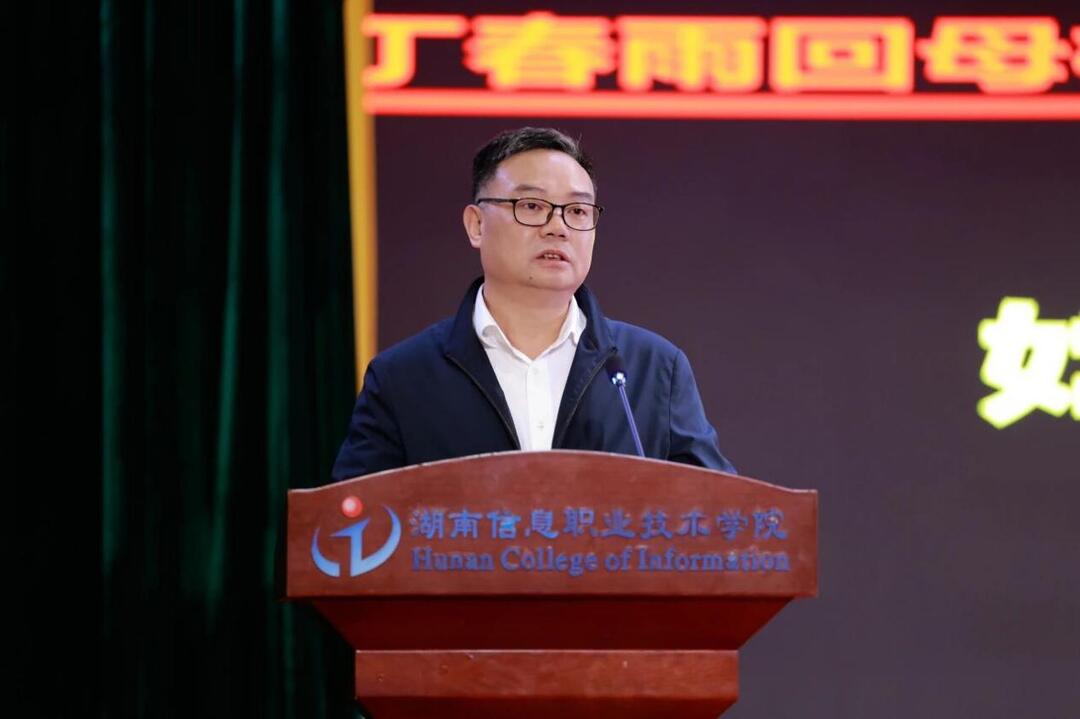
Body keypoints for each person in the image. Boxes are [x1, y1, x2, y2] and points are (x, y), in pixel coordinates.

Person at [332, 127, 734, 482]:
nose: (558, 227)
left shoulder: (651, 369)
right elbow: (353, 525)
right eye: (531, 207)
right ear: (476, 224)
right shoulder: (403, 377)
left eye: (577, 211)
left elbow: (718, 514)